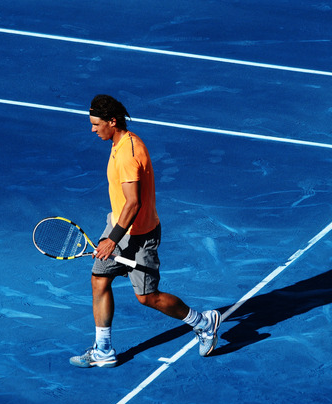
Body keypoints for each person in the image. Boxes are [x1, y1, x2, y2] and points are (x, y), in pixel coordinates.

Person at [69, 94, 221, 368]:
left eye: (96, 124)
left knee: (147, 297)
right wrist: (112, 233)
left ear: (112, 122)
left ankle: (203, 321)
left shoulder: (128, 154)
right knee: (99, 281)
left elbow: (134, 202)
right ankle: (103, 350)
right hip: (118, 224)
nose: (92, 129)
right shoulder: (121, 141)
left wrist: (111, 241)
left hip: (139, 237)